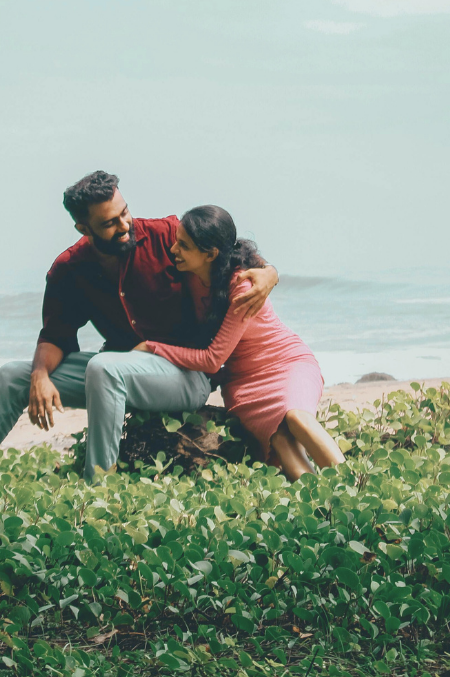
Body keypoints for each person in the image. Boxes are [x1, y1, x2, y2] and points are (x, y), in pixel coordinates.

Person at [0, 171, 279, 478]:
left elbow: (226, 252)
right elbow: (56, 335)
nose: (125, 225)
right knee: (14, 375)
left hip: (185, 375)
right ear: (84, 228)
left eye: (125, 212)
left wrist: (269, 272)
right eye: (110, 223)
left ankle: (98, 485)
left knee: (104, 367)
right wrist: (39, 376)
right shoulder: (69, 269)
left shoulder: (166, 235)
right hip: (118, 370)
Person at [138, 205, 344, 481]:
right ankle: (326, 510)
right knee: (280, 440)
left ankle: (359, 493)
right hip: (244, 385)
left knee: (296, 417)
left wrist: (153, 347)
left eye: (183, 246)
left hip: (286, 363)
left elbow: (212, 359)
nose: (174, 250)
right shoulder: (189, 271)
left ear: (210, 254)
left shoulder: (242, 285)